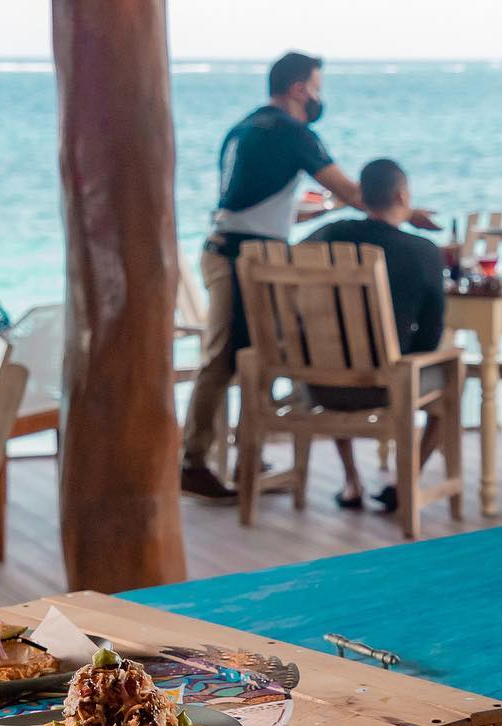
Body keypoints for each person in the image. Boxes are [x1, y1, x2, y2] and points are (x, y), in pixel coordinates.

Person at [180, 51, 435, 503]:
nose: (319, 97)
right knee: (222, 359)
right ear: (299, 89)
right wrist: (406, 213)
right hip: (240, 257)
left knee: (258, 352)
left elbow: (257, 209)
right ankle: (193, 462)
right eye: (316, 87)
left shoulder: (246, 128)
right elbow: (356, 192)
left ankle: (246, 455)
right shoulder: (293, 132)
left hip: (230, 247)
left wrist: (322, 210)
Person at [304, 159, 448, 512]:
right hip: (388, 385)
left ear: (361, 197)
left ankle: (352, 480)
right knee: (450, 381)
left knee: (335, 350)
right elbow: (429, 340)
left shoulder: (328, 236)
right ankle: (406, 479)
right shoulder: (424, 252)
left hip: (319, 385)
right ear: (402, 196)